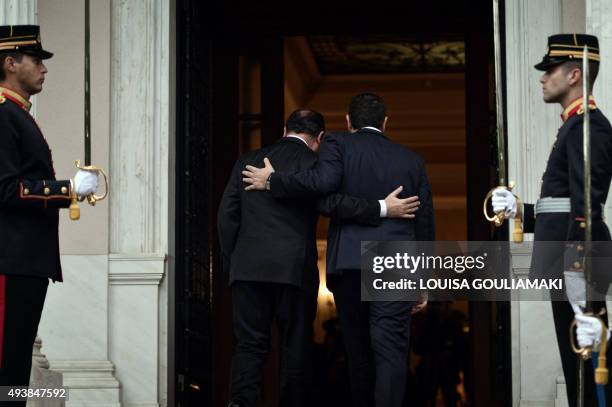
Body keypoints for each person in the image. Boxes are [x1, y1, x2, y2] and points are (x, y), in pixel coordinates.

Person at [242, 94, 435, 407]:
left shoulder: (337, 145)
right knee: (391, 354)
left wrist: (274, 181)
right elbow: (424, 222)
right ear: (386, 122)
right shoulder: (412, 161)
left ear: (348, 121)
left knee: (358, 355)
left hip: (349, 262)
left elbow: (322, 192)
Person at [491, 34, 612, 406]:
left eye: (550, 70)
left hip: (575, 262)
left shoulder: (588, 128)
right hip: (565, 260)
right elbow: (562, 204)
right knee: (580, 370)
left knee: (593, 373)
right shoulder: (573, 127)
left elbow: (587, 206)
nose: (543, 78)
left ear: (574, 74)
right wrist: (521, 211)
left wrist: (578, 265)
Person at [0, 25, 99, 401]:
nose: (44, 68)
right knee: (7, 364)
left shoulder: (17, 114)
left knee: (16, 363)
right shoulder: (4, 114)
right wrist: (66, 189)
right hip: (11, 260)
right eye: (36, 59)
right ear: (10, 63)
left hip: (25, 261)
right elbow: (5, 189)